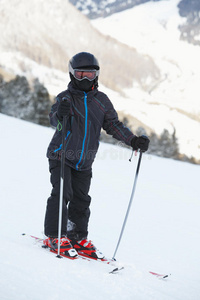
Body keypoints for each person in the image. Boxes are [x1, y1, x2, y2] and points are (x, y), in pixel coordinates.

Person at [43, 52, 149, 259]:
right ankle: (54, 236)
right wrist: (60, 114)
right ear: (72, 74)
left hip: (84, 161)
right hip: (61, 155)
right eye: (80, 74)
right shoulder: (65, 97)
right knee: (62, 193)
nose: (84, 79)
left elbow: (113, 125)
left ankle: (76, 237)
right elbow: (54, 120)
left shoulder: (101, 101)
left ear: (96, 76)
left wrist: (133, 141)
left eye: (89, 75)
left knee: (82, 200)